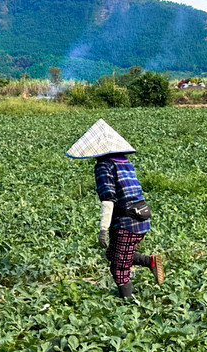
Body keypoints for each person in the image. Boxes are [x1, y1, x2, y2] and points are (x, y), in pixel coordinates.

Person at [66, 119, 166, 299]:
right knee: (114, 253)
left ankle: (129, 303)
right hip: (141, 216)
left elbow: (108, 200)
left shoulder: (104, 166)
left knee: (118, 267)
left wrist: (103, 230)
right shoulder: (124, 162)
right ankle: (149, 261)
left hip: (128, 222)